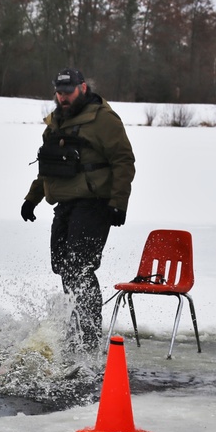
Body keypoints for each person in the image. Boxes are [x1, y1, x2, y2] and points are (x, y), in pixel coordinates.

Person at [20, 68, 135, 350]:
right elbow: (49, 165)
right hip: (65, 203)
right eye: (59, 92)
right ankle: (76, 328)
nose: (63, 97)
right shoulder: (56, 122)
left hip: (95, 204)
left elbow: (124, 161)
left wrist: (119, 204)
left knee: (80, 267)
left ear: (82, 88)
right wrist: (31, 198)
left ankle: (89, 334)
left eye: (68, 91)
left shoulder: (103, 119)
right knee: (62, 266)